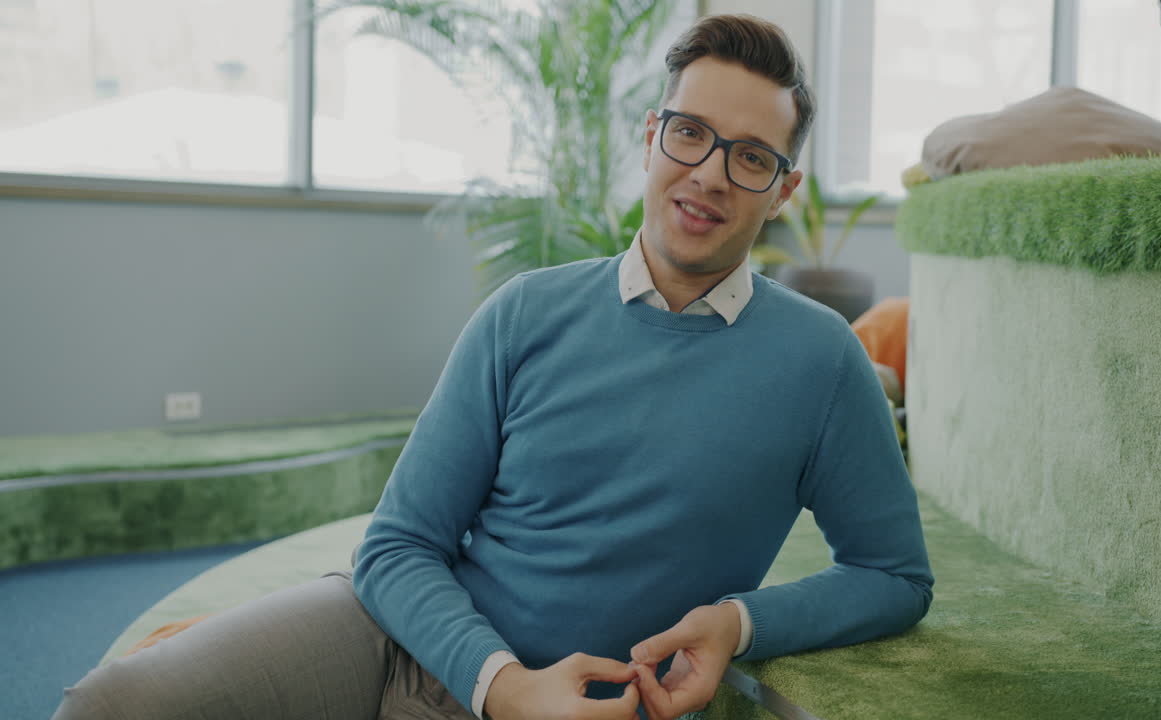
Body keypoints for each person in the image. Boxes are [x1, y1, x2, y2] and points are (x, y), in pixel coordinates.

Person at [54, 14, 932, 720]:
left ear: (783, 188)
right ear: (651, 136)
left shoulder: (822, 362)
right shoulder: (526, 312)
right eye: (690, 134)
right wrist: (499, 685)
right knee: (113, 702)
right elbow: (398, 546)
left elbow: (894, 577)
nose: (707, 174)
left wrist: (741, 623)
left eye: (749, 157)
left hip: (580, 701)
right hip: (390, 635)